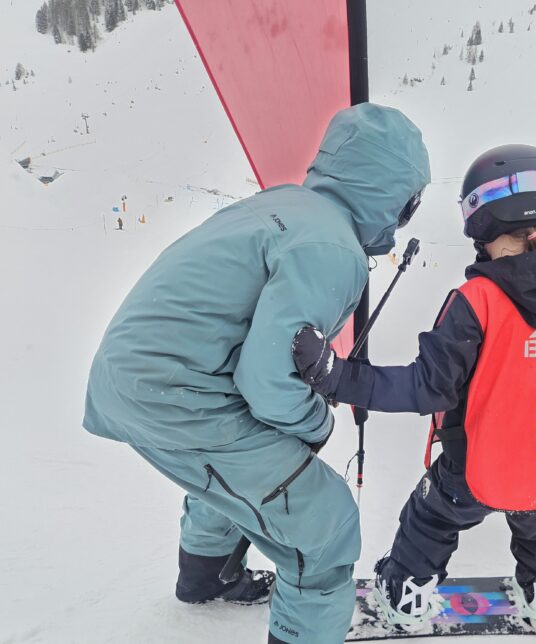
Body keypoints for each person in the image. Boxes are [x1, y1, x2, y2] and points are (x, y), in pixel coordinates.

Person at [83, 103, 430, 644]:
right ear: (396, 196)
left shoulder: (282, 205)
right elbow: (269, 383)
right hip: (180, 396)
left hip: (129, 380)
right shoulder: (333, 247)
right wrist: (317, 424)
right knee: (325, 526)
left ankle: (205, 577)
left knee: (240, 472)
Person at [293, 144, 536, 630]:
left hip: (476, 467)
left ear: (481, 216)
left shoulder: (479, 300)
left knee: (429, 519)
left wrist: (338, 377)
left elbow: (428, 388)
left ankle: (404, 595)